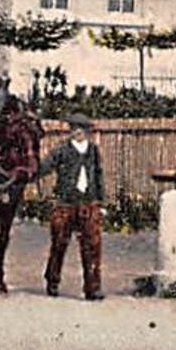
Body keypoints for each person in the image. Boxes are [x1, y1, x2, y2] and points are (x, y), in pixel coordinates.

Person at [36, 113, 105, 300]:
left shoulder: (93, 151)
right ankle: (52, 281)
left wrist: (101, 202)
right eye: (74, 128)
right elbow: (45, 167)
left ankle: (92, 287)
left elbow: (99, 176)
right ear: (70, 130)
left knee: (92, 246)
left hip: (88, 203)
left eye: (82, 129)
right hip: (65, 203)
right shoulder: (62, 151)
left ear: (88, 131)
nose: (78, 132)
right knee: (59, 244)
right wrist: (32, 172)